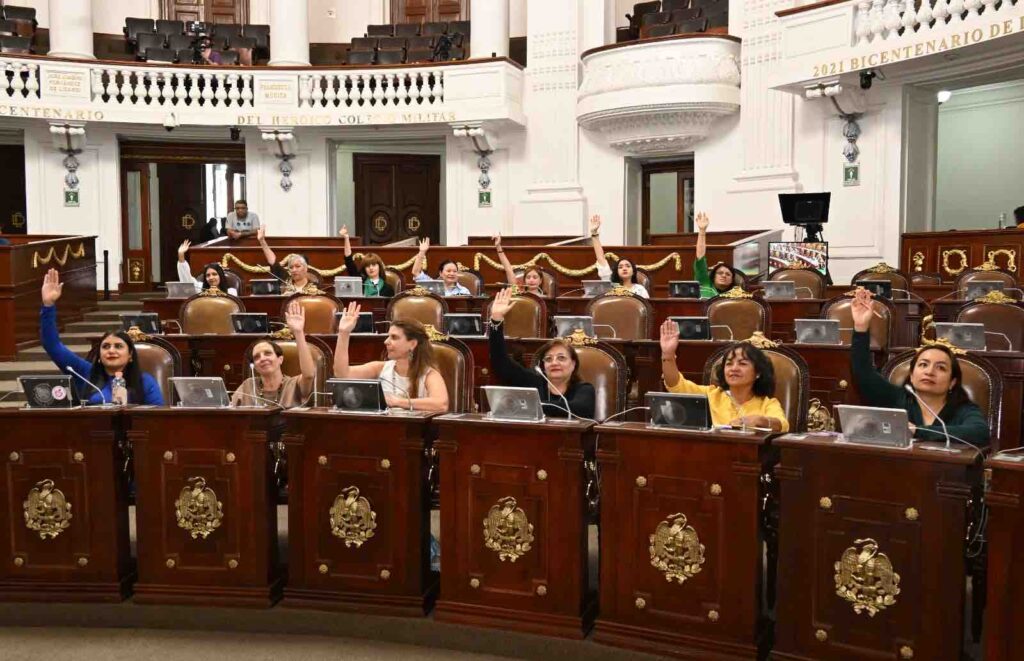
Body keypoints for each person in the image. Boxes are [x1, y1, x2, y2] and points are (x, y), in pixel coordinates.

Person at [849, 287, 989, 444]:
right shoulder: (898, 399)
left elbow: (980, 433)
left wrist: (918, 430)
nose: (930, 371)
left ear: (952, 382)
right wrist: (861, 327)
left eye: (941, 367)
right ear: (912, 375)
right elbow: (863, 373)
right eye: (923, 364)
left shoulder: (962, 409)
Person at [39, 268, 163, 406]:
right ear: (99, 354)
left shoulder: (144, 382)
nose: (111, 350)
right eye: (105, 346)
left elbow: (157, 418)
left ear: (130, 355)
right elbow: (52, 345)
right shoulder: (85, 373)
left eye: (118, 346)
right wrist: (48, 306)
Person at [659, 318, 788, 431]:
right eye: (729, 364)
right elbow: (675, 385)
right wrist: (668, 354)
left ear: (758, 373)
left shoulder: (767, 403)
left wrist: (761, 421)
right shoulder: (711, 395)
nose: (734, 369)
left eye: (742, 364)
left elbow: (782, 425)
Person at [488, 288, 596, 419]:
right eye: (548, 359)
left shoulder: (583, 389)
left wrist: (530, 404)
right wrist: (496, 320)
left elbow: (581, 409)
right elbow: (500, 363)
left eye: (561, 358)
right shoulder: (534, 383)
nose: (554, 362)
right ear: (543, 366)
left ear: (573, 364)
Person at [333, 301, 449, 412]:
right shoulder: (379, 368)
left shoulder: (429, 374)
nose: (386, 341)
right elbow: (342, 373)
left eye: (394, 337)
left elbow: (441, 404)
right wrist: (344, 333)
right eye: (388, 336)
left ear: (412, 344)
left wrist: (397, 402)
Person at [231, 301, 316, 407]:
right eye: (256, 357)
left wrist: (298, 332)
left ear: (280, 359)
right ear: (255, 367)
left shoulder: (293, 384)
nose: (262, 358)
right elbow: (230, 410)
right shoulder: (248, 385)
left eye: (267, 353)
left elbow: (309, 375)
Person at [589, 215, 649, 298]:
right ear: (616, 272)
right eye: (620, 267)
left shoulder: (640, 289)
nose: (624, 268)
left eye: (628, 266)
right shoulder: (612, 286)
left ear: (633, 271)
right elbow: (601, 259)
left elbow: (646, 308)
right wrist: (594, 234)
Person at [257, 225, 319, 295]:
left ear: (306, 268)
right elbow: (273, 262)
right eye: (291, 267)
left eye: (298, 266)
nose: (294, 270)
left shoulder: (314, 284)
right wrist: (262, 241)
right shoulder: (285, 279)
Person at [693, 212, 738, 298]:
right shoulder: (704, 282)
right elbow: (700, 256)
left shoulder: (735, 295)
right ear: (713, 276)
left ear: (732, 280)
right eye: (720, 273)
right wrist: (702, 231)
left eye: (728, 274)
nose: (724, 275)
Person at [340, 225, 394, 297]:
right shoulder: (360, 283)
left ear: (379, 267)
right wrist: (346, 238)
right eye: (368, 266)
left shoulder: (388, 289)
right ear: (364, 269)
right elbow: (348, 260)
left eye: (374, 265)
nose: (371, 268)